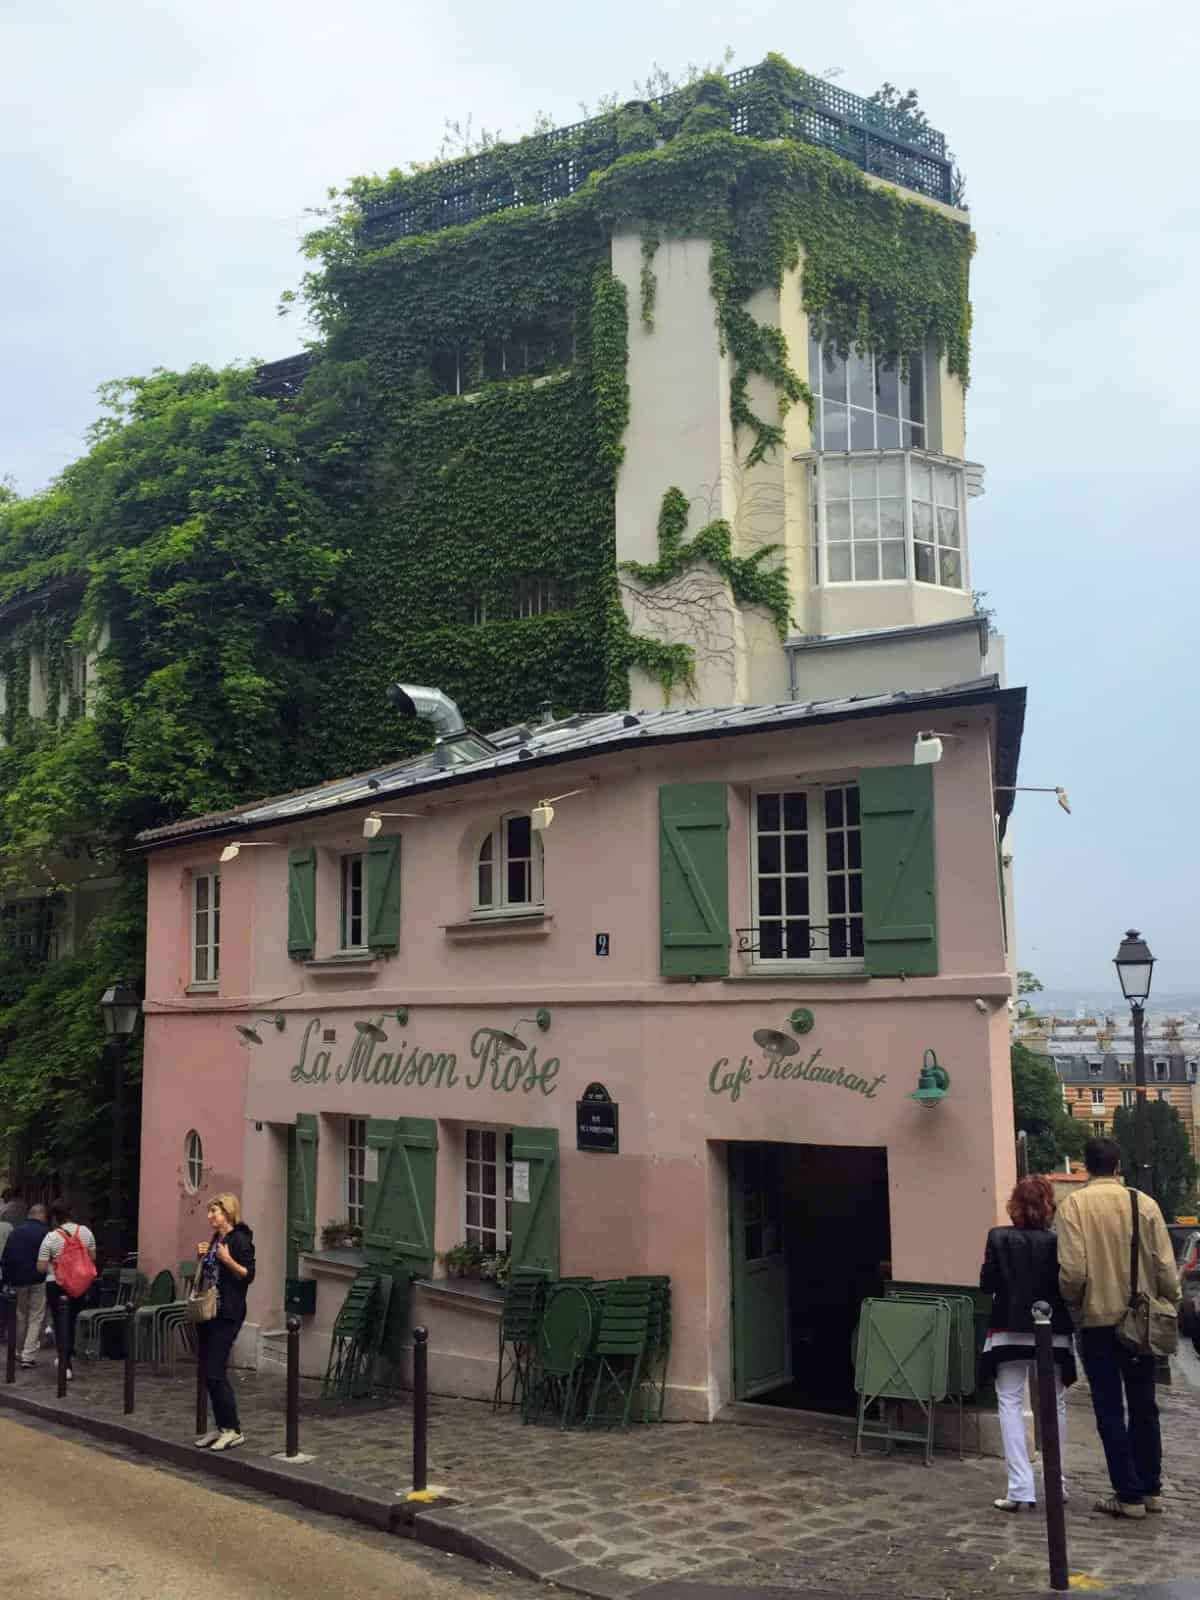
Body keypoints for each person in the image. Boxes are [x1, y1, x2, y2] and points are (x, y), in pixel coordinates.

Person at [1057, 1137, 1181, 1520]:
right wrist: (1168, 1300)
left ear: (1085, 1167)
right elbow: (1165, 1268)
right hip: (1141, 1321)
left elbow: (1073, 1272)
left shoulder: (1073, 1205)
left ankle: (1127, 1493)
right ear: (1118, 1165)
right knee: (1144, 1403)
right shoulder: (1144, 1204)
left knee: (1109, 1406)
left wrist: (1076, 1302)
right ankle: (1151, 1488)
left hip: (1097, 1321)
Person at [979, 1174, 1077, 1512]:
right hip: (1053, 1326)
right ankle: (1056, 1482)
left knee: (1009, 1402)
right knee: (1055, 1403)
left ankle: (1020, 1487)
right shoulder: (1057, 1242)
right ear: (1049, 1205)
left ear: (1015, 1205)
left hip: (1008, 1326)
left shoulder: (998, 1237)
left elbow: (986, 1283)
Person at [193, 1193, 255, 1452]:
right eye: (209, 1212)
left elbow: (247, 1274)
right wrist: (205, 1256)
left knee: (216, 1370)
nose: (210, 1217)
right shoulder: (218, 1239)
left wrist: (227, 1260)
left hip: (228, 1312)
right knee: (207, 1371)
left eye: (214, 1212)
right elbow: (212, 1273)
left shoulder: (240, 1239)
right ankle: (220, 1427)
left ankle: (234, 1430)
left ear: (227, 1213)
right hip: (210, 1311)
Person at [36, 1200, 97, 1380]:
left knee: (60, 1322)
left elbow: (40, 1266)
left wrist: (55, 1264)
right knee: (72, 1320)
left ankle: (65, 1364)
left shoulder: (51, 1237)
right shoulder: (85, 1232)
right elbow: (92, 1257)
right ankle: (67, 1354)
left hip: (56, 1283)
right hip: (80, 1284)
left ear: (54, 1218)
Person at [1, 1204, 49, 1366]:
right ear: (41, 1215)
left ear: (29, 1215)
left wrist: (7, 1279)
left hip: (18, 1281)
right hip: (38, 1279)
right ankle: (28, 1355)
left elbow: (6, 1257)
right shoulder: (45, 1232)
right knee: (36, 1316)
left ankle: (18, 1351)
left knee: (20, 1315)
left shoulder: (16, 1232)